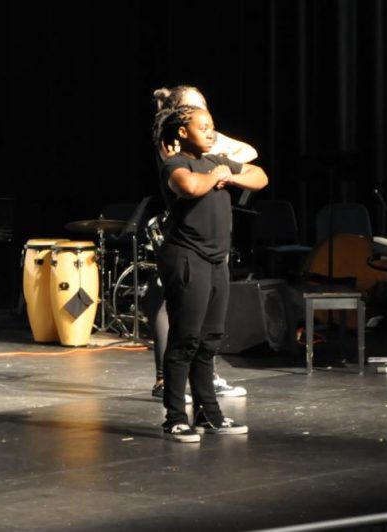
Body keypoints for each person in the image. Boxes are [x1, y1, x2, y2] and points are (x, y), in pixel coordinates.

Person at [153, 104, 268, 442]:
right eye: (202, 126)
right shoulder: (175, 163)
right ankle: (174, 417)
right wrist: (216, 176)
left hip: (217, 260)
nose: (209, 131)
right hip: (187, 258)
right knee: (185, 339)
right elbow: (188, 187)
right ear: (182, 132)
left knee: (209, 340)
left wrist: (229, 174)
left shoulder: (217, 164)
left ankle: (208, 414)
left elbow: (260, 175)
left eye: (212, 126)